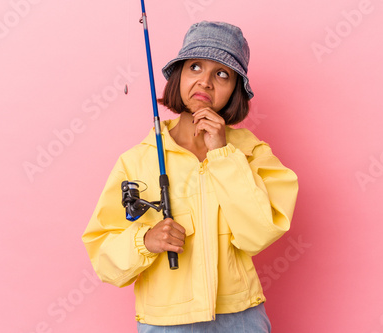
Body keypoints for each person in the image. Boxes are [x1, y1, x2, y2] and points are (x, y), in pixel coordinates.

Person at [82, 21, 298, 332]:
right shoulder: (135, 161)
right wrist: (144, 241)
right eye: (195, 66)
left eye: (222, 73)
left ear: (235, 89)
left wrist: (222, 154)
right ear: (179, 75)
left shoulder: (252, 153)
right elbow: (103, 256)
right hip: (166, 322)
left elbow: (260, 233)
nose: (206, 82)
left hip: (240, 317)